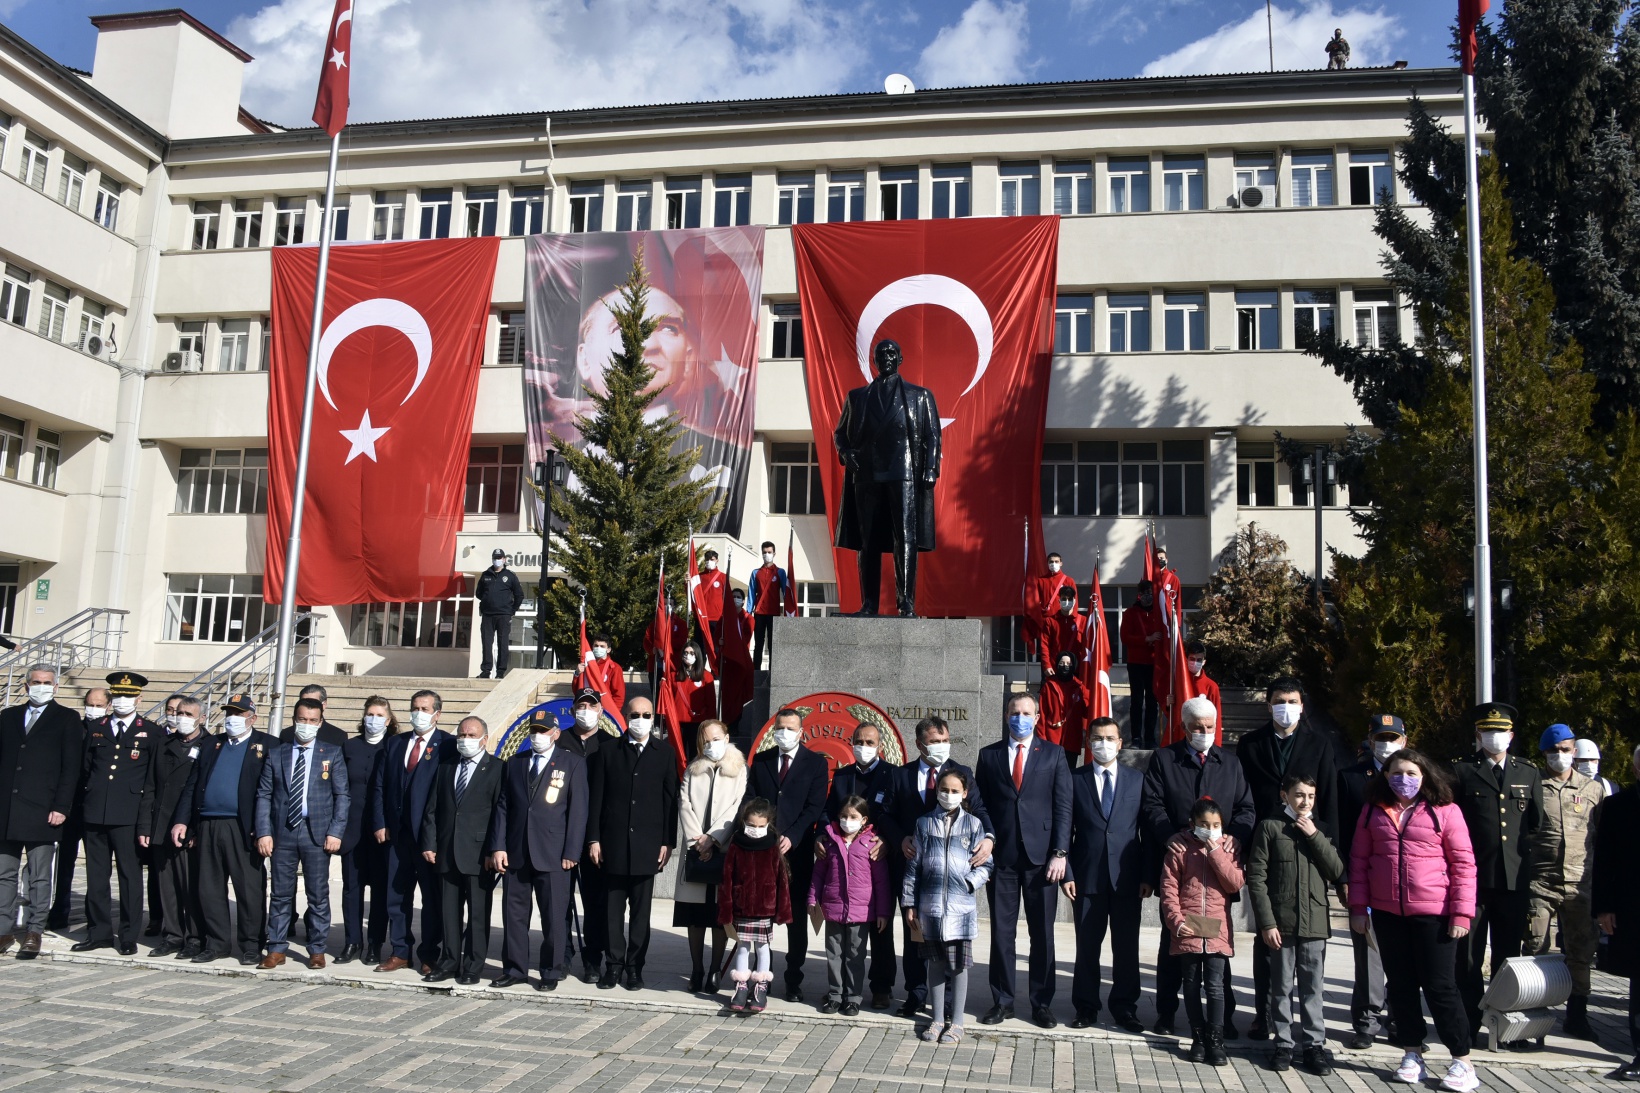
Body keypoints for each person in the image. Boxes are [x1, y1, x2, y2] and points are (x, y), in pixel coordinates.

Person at [1349, 749, 1480, 1093]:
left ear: (1424, 775)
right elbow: (1359, 862)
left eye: (1411, 772)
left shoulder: (1445, 810)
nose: (1403, 779)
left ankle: (1462, 1060)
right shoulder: (1372, 811)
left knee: (1440, 988)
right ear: (1385, 775)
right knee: (1401, 987)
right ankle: (1411, 1053)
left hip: (1435, 916)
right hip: (1389, 914)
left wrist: (1462, 912)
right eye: (1396, 772)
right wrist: (1358, 909)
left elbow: (1464, 865)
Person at [1141, 695, 1254, 1037]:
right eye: (1197, 727)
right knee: (1175, 945)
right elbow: (1152, 805)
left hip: (1218, 872)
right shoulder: (1165, 759)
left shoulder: (1230, 763)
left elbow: (1246, 808)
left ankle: (1223, 1019)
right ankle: (1166, 1013)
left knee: (1217, 946)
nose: (1204, 732)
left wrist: (1234, 840)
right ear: (1184, 727)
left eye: (1210, 727)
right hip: (1182, 867)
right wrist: (1169, 836)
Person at [1235, 677, 1339, 1041]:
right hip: (1266, 846)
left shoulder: (1319, 744)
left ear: (1302, 705)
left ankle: (1310, 1031)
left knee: (1307, 952)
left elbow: (1328, 799)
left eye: (1292, 700)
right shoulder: (1250, 744)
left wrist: (1328, 846)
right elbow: (1243, 797)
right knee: (1268, 936)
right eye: (1279, 700)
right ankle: (1265, 1017)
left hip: (1308, 849)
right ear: (1268, 705)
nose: (1286, 706)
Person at [975, 693, 1072, 1029]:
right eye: (1015, 712)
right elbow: (981, 805)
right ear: (1006, 715)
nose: (1020, 717)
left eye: (1026, 712)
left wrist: (1060, 852)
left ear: (1037, 715)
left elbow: (1063, 808)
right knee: (1002, 934)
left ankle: (1041, 1003)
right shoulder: (988, 756)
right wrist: (986, 838)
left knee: (1042, 934)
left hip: (1041, 859)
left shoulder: (1055, 754)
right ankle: (1002, 1001)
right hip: (1001, 859)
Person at [888, 715, 994, 1017]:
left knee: (949, 941)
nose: (941, 746)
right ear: (920, 744)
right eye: (935, 742)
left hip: (953, 877)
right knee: (915, 934)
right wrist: (900, 839)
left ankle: (948, 1003)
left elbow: (981, 809)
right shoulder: (901, 775)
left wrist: (989, 837)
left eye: (945, 740)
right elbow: (885, 814)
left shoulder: (962, 773)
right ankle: (916, 994)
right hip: (915, 867)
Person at [1451, 702, 1543, 1039]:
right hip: (1473, 880)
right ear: (1478, 734)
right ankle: (1469, 1022)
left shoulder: (1527, 772)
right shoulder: (1462, 772)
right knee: (1469, 957)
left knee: (1509, 956)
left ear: (1511, 735)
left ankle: (1505, 1024)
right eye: (1488, 731)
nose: (1495, 737)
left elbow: (1535, 824)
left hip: (1513, 880)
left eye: (1501, 731)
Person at [832, 338, 942, 618]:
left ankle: (906, 604)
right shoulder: (857, 397)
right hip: (867, 474)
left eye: (892, 353)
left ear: (901, 359)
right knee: (867, 540)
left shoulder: (919, 396)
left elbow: (932, 435)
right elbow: (840, 434)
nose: (887, 357)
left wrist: (930, 469)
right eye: (882, 354)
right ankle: (869, 604)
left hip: (903, 472)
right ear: (874, 360)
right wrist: (846, 453)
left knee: (904, 537)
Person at [1248, 774, 1343, 1075]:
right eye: (1299, 795)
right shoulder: (1270, 827)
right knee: (1281, 986)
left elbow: (1337, 869)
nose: (1305, 802)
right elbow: (1257, 878)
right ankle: (1284, 1043)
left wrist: (1314, 834)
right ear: (1284, 795)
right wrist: (1266, 922)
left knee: (1314, 987)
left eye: (1311, 796)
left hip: (1314, 920)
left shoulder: (1322, 828)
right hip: (1282, 922)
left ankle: (1314, 1045)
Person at [488, 713, 588, 991]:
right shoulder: (516, 763)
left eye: (543, 730)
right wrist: (498, 845)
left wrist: (572, 851)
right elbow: (503, 807)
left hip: (554, 853)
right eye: (533, 730)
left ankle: (551, 971)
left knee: (554, 917)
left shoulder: (573, 763)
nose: (537, 735)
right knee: (514, 914)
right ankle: (515, 969)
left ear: (556, 733)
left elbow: (578, 812)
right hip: (517, 853)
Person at [173, 693, 274, 965]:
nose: (232, 719)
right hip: (207, 825)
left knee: (249, 889)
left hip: (243, 828)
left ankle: (251, 944)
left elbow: (273, 792)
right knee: (209, 887)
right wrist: (183, 821)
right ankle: (217, 943)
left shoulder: (268, 745)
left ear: (252, 718)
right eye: (229, 713)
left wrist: (265, 828)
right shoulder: (211, 744)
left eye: (238, 714)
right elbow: (193, 785)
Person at [587, 695, 679, 990]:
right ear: (625, 716)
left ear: (654, 718)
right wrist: (594, 838)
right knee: (612, 912)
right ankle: (612, 965)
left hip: (647, 846)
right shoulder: (607, 751)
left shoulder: (664, 753)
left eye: (647, 714)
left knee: (641, 914)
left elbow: (670, 801)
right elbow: (596, 800)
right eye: (635, 714)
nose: (640, 719)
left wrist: (667, 841)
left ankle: (635, 967)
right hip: (612, 844)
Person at [1063, 716, 1147, 1032]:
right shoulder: (1074, 779)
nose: (1103, 744)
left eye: (1110, 738)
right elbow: (1064, 829)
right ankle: (1086, 1007)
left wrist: (1147, 875)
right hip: (1086, 878)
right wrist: (1067, 872)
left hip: (1127, 878)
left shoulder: (1137, 780)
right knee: (1087, 948)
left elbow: (1146, 831)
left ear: (1120, 743)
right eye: (1097, 738)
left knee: (1126, 948)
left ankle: (1125, 1008)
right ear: (1089, 743)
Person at [1523, 723, 1604, 1041]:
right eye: (1553, 751)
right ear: (1544, 754)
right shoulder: (1532, 785)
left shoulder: (1592, 789)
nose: (1560, 756)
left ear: (1574, 750)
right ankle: (1534, 1018)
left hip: (1580, 882)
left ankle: (1577, 1016)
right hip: (1540, 881)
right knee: (1535, 948)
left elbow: (1601, 836)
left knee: (1581, 952)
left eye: (1565, 749)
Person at [256, 697, 349, 970]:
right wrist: (264, 831)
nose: (306, 725)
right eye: (302, 719)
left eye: (312, 720)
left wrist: (336, 831)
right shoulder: (277, 753)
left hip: (317, 834)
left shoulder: (331, 753)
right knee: (280, 894)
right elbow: (264, 794)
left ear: (320, 723)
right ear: (294, 719)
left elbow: (342, 795)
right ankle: (276, 948)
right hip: (283, 832)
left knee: (317, 894)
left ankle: (317, 949)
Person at [904, 768, 994, 1045]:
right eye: (945, 789)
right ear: (937, 791)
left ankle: (957, 1022)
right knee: (935, 962)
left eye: (955, 791)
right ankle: (937, 1019)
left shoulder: (974, 825)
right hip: (930, 906)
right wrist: (910, 902)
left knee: (958, 967)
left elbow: (986, 865)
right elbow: (913, 868)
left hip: (959, 908)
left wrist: (968, 884)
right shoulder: (923, 824)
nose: (949, 795)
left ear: (965, 794)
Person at [73, 670, 159, 956]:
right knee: (96, 877)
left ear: (139, 698)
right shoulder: (97, 727)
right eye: (119, 695)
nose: (123, 700)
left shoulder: (150, 731)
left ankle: (128, 934)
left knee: (129, 877)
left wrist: (145, 821)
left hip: (128, 815)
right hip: (95, 810)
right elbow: (86, 769)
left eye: (129, 695)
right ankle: (98, 932)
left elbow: (151, 780)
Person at [0, 665, 82, 958]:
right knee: (4, 874)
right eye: (36, 682)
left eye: (47, 682)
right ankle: (4, 930)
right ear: (26, 686)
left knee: (39, 874)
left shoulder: (67, 718)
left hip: (43, 810)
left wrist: (61, 807)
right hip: (7, 809)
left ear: (56, 687)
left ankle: (35, 929)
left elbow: (70, 768)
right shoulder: (8, 716)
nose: (41, 686)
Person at [747, 707, 828, 1002]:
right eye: (780, 727)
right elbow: (752, 798)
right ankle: (761, 975)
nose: (785, 732)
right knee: (762, 917)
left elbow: (814, 807)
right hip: (764, 850)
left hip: (799, 851)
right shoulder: (762, 759)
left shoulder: (815, 764)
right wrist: (765, 831)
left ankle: (793, 978)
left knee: (795, 919)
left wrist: (792, 836)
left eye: (791, 728)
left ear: (801, 731)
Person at [1335, 714, 1405, 1049]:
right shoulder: (1349, 778)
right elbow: (1341, 832)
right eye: (1381, 738)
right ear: (1370, 740)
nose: (1386, 744)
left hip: (1407, 883)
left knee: (1403, 956)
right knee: (1368, 953)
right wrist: (1345, 879)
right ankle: (1366, 1019)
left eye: (1393, 738)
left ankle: (1400, 1017)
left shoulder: (1414, 779)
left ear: (1404, 742)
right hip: (1364, 879)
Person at [370, 688, 452, 974]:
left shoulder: (448, 745)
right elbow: (381, 786)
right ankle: (400, 950)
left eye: (425, 709)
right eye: (415, 708)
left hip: (428, 838)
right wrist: (380, 822)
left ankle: (429, 954)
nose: (419, 713)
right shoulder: (395, 744)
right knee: (396, 896)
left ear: (437, 714)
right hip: (397, 835)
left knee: (431, 899)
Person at [1161, 798, 1245, 1067]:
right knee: (1191, 983)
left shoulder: (1228, 847)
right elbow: (1169, 889)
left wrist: (1216, 853)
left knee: (1216, 986)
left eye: (1216, 825)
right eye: (1204, 825)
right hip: (1189, 925)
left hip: (1217, 927)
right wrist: (1176, 921)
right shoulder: (1179, 847)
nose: (1210, 830)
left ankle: (1215, 1040)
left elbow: (1234, 884)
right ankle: (1197, 1037)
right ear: (1192, 824)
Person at [420, 715, 503, 984]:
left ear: (484, 739)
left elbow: (500, 814)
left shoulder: (497, 768)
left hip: (480, 855)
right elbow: (432, 809)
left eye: (471, 735)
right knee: (449, 913)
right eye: (462, 735)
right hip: (446, 851)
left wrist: (495, 849)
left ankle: (473, 966)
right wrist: (430, 843)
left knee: (478, 914)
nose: (465, 740)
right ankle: (449, 961)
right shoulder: (446, 767)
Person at [822, 719, 899, 1008]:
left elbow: (895, 814)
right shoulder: (842, 777)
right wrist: (821, 835)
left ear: (880, 746)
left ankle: (881, 986)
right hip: (843, 860)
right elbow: (829, 812)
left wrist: (888, 841)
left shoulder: (892, 775)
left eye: (870, 742)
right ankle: (839, 989)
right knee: (842, 935)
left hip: (878, 860)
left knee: (880, 927)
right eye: (859, 742)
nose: (864, 747)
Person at [674, 718, 746, 994]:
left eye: (716, 738)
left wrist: (714, 839)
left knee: (718, 915)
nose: (711, 744)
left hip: (722, 849)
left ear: (727, 738)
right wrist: (697, 841)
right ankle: (696, 968)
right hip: (695, 852)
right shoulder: (693, 768)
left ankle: (716, 969)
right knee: (694, 916)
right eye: (706, 740)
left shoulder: (739, 769)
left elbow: (737, 807)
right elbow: (684, 803)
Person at [809, 794, 891, 1015]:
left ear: (864, 819)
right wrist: (812, 899)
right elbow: (818, 873)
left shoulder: (871, 843)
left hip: (860, 912)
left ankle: (853, 997)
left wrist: (883, 911)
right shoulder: (830, 841)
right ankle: (835, 995)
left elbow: (881, 882)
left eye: (853, 816)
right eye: (844, 816)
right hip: (833, 908)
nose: (848, 820)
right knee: (833, 954)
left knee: (855, 956)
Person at [1592, 745, 1640, 1080]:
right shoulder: (1618, 806)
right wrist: (1603, 908)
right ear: (1636, 769)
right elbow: (1604, 860)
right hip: (1633, 906)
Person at [142, 694, 203, 958]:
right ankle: (172, 935)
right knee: (165, 885)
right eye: (180, 713)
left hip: (188, 827)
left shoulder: (210, 745)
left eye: (189, 714)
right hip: (161, 824)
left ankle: (195, 937)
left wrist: (194, 829)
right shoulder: (163, 744)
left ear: (202, 718)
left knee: (190, 885)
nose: (183, 719)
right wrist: (145, 825)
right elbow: (150, 787)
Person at [719, 797, 791, 1013]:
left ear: (769, 823)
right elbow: (727, 878)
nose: (756, 830)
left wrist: (783, 910)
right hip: (741, 906)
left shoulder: (772, 845)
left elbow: (781, 879)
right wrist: (725, 910)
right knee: (742, 946)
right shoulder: (736, 844)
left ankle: (760, 986)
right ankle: (741, 986)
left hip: (764, 907)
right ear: (744, 822)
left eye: (761, 826)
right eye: (751, 825)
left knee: (762, 947)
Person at [337, 697, 395, 965]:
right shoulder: (349, 746)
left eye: (379, 714)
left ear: (389, 719)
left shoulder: (394, 747)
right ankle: (352, 942)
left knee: (381, 890)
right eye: (369, 714)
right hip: (352, 829)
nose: (373, 719)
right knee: (352, 888)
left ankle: (374, 944)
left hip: (381, 831)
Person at [561, 688, 610, 980]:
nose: (586, 710)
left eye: (592, 706)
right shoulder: (559, 741)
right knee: (560, 900)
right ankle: (562, 953)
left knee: (595, 901)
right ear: (573, 710)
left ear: (601, 711)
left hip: (595, 837)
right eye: (581, 705)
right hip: (561, 834)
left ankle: (594, 958)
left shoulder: (609, 744)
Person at [49, 686, 107, 929]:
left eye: (98, 705)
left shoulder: (109, 731)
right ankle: (59, 910)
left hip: (95, 807)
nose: (93, 709)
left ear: (107, 706)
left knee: (97, 866)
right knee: (65, 863)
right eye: (90, 704)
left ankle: (94, 915)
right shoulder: (74, 727)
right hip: (70, 806)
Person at [1119, 582, 1166, 747]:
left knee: (1153, 701)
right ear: (1139, 594)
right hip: (1136, 663)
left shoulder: (1159, 614)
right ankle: (1136, 737)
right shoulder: (1130, 613)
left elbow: (1165, 636)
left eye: (1150, 592)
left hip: (1154, 664)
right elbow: (1125, 637)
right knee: (1137, 701)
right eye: (1144, 592)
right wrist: (1147, 639)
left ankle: (1150, 737)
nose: (1147, 595)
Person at [476, 549, 525, 680]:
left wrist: (512, 610)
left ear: (504, 559)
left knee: (503, 642)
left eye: (500, 557)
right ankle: (486, 671)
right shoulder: (485, 575)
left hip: (504, 615)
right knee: (486, 643)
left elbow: (519, 595)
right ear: (492, 559)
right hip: (487, 615)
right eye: (495, 557)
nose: (497, 560)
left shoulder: (510, 575)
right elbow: (479, 594)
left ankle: (500, 672)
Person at [1039, 651, 1090, 766]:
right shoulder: (1049, 686)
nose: (1065, 666)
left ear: (1074, 665)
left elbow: (1087, 713)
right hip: (1051, 739)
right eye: (1062, 663)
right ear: (1057, 665)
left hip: (1072, 740)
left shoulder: (1080, 687)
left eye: (1068, 663)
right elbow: (1042, 715)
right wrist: (1042, 739)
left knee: (1069, 775)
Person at [748, 540, 790, 669]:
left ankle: (773, 672)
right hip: (759, 613)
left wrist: (788, 612)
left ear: (774, 553)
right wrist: (748, 613)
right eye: (765, 552)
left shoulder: (780, 572)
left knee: (773, 644)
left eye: (769, 552)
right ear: (761, 554)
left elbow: (786, 593)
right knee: (758, 644)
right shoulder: (755, 572)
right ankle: (756, 672)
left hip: (774, 613)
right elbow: (751, 593)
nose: (767, 554)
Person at [672, 642, 715, 757]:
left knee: (695, 755)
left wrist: (711, 723)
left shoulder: (707, 677)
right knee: (678, 755)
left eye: (691, 653)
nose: (688, 655)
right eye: (685, 653)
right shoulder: (673, 676)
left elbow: (711, 702)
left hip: (698, 722)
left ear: (697, 655)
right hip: (678, 722)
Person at [279, 685, 349, 747]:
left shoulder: (337, 736)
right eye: (304, 702)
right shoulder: (286, 734)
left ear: (324, 705)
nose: (308, 706)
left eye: (314, 702)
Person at [1037, 588, 1085, 675]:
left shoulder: (1083, 621)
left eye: (1069, 599)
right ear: (1059, 601)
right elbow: (1044, 645)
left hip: (1077, 670)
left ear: (1074, 601)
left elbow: (1089, 646)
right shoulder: (1050, 621)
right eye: (1064, 599)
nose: (1067, 602)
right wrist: (1047, 665)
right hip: (1055, 669)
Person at [575, 633, 627, 713]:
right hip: (586, 708)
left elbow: (619, 695)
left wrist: (613, 714)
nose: (598, 648)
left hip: (605, 710)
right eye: (596, 645)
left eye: (602, 646)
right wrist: (577, 674)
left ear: (608, 649)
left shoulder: (615, 668)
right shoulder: (586, 665)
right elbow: (576, 690)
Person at [694, 548, 727, 650]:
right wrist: (687, 582)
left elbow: (726, 598)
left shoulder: (723, 577)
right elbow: (691, 594)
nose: (709, 562)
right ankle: (701, 666)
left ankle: (716, 667)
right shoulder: (698, 577)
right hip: (701, 618)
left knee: (716, 649)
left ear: (717, 560)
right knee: (700, 649)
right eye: (707, 559)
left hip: (716, 618)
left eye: (712, 559)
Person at [1183, 641, 1220, 719]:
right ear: (1186, 660)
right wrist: (1168, 704)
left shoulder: (1211, 686)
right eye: (1192, 659)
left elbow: (1216, 716)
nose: (1195, 662)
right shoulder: (1180, 683)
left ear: (1204, 662)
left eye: (1199, 660)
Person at [1034, 552, 1076, 618]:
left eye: (1056, 561)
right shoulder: (1040, 581)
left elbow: (1074, 601)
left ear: (1061, 563)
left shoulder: (1069, 580)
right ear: (1047, 564)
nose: (1053, 564)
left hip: (1062, 619)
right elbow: (1035, 601)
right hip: (1045, 619)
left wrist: (1073, 618)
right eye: (1051, 562)